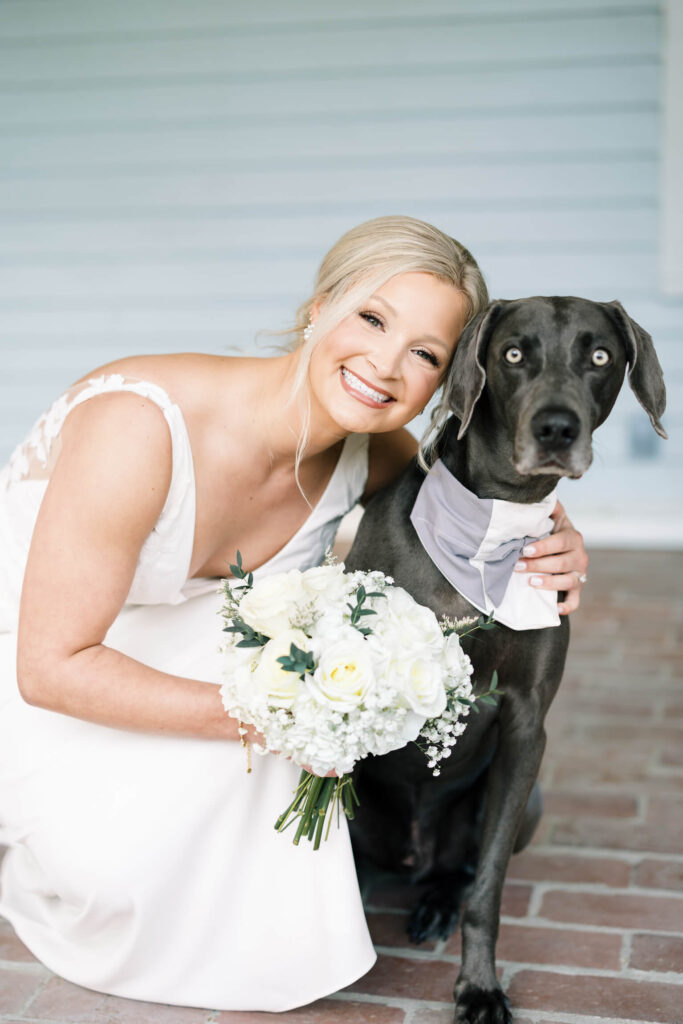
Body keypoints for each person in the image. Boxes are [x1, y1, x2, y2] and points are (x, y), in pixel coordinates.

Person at [0, 216, 588, 1012]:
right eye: (372, 320)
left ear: (451, 383)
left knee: (263, 840)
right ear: (319, 307)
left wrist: (559, 539)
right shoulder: (136, 427)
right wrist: (289, 719)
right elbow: (48, 666)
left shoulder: (373, 451)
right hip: (46, 674)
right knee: (120, 874)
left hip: (194, 664)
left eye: (424, 355)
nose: (385, 366)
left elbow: (476, 512)